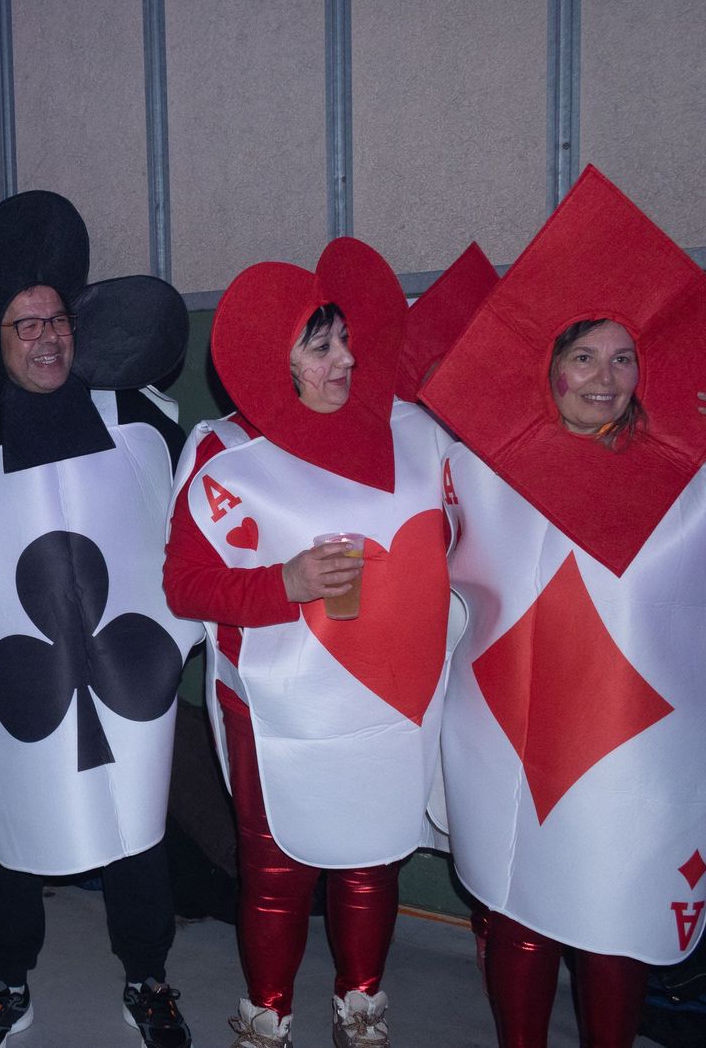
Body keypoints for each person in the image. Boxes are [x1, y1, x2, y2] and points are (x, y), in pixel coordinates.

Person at [422, 166, 706, 1048]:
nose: (605, 375)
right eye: (584, 355)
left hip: (640, 754)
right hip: (505, 736)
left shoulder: (699, 488)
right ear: (549, 367)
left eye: (624, 356)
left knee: (613, 916)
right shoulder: (475, 469)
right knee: (518, 909)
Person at [0, 191, 201, 1048]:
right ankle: (7, 983)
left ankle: (148, 980)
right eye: (23, 325)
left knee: (138, 827)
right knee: (13, 830)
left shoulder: (137, 419)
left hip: (125, 675)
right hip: (20, 681)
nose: (46, 337)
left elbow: (192, 529)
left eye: (56, 320)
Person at [162, 237, 455, 1048]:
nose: (346, 359)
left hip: (389, 703)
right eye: (319, 346)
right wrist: (280, 586)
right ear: (274, 360)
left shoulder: (414, 433)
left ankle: (361, 1003)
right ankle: (267, 1015)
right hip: (274, 709)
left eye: (348, 340)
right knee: (276, 869)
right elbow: (185, 585)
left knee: (372, 857)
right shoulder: (224, 455)